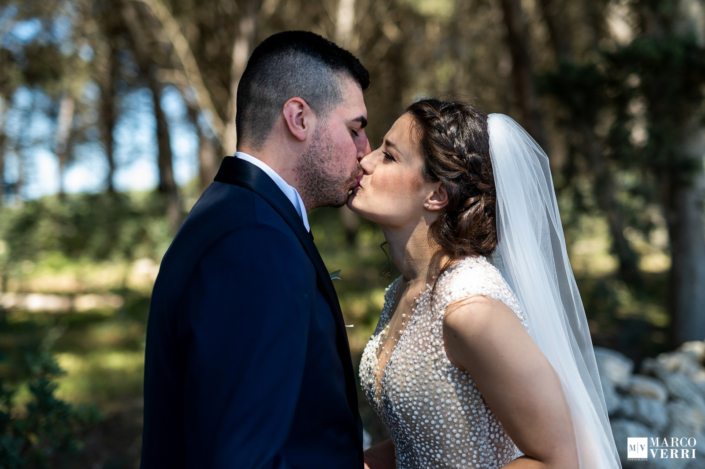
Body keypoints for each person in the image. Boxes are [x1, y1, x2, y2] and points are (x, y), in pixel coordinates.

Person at [140, 31, 370, 469]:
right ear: (299, 118)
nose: (366, 150)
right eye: (355, 129)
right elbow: (242, 458)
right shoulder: (255, 242)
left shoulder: (235, 213)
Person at [351, 99, 622, 469]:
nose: (364, 161)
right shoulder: (403, 290)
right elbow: (421, 438)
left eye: (389, 156)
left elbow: (558, 459)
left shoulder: (472, 310)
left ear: (437, 194)